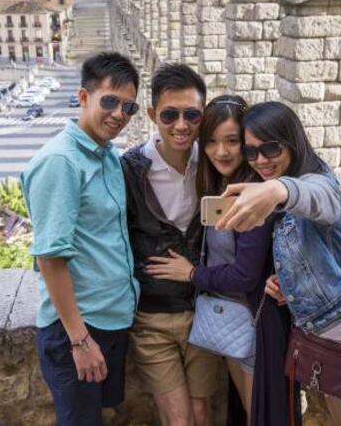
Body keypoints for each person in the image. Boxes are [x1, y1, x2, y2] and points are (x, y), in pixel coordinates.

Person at [216, 101, 341, 426]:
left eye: (271, 148)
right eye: (251, 152)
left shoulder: (319, 183)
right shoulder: (284, 192)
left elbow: (317, 196)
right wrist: (285, 286)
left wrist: (276, 189)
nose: (261, 160)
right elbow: (304, 256)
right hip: (312, 334)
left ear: (291, 141)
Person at [145, 95, 300, 426]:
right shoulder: (220, 185)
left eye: (232, 141)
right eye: (211, 142)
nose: (221, 152)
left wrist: (191, 274)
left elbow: (245, 276)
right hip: (234, 320)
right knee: (248, 412)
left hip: (255, 321)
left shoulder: (253, 193)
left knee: (259, 414)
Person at [21, 51, 141, 426]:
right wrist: (80, 341)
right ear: (83, 97)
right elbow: (50, 257)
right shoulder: (61, 161)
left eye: (129, 107)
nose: (119, 114)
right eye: (110, 101)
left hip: (108, 323)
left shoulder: (106, 155)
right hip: (78, 330)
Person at [121, 63, 219, 426]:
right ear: (151, 115)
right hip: (152, 318)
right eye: (170, 114)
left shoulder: (212, 164)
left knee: (201, 412)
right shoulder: (129, 169)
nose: (182, 125)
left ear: (203, 116)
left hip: (204, 312)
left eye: (192, 114)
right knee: (178, 420)